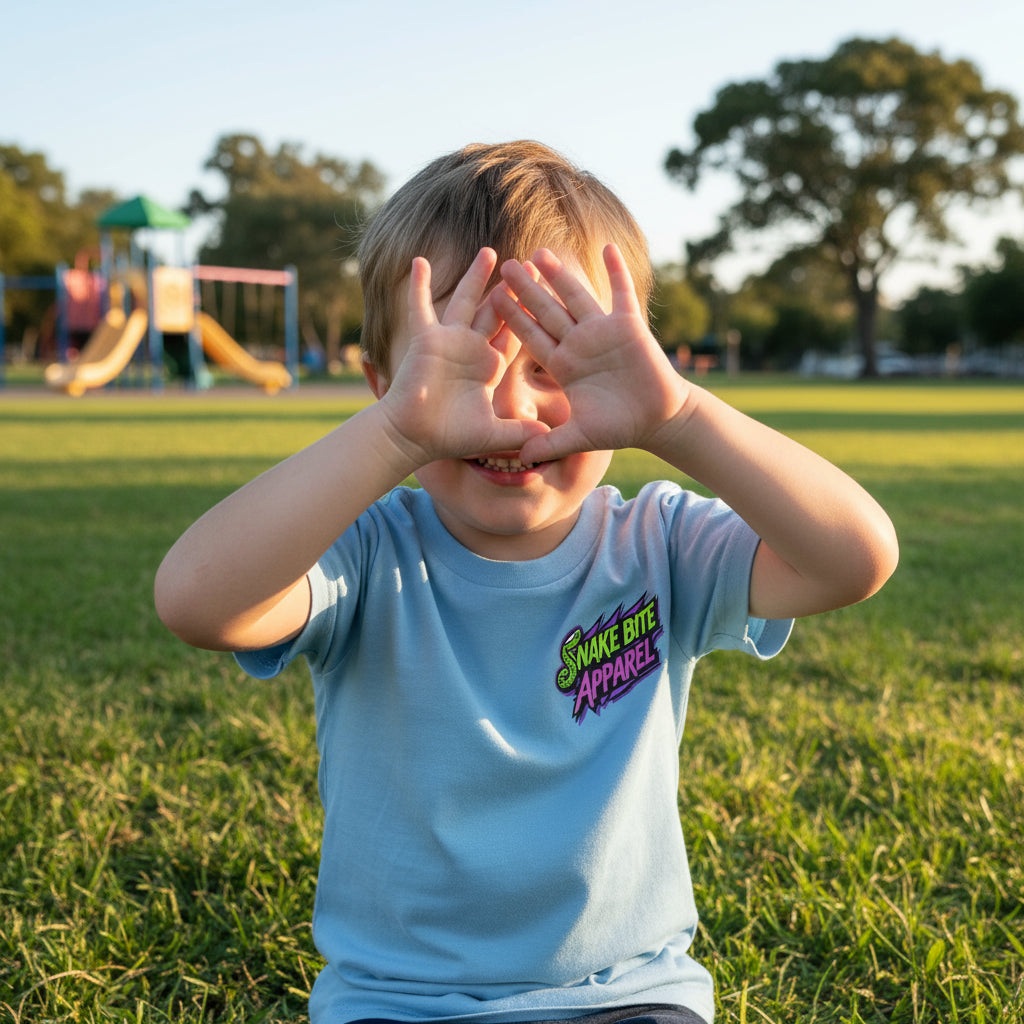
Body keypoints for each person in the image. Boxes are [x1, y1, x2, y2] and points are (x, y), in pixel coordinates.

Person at [154, 141, 898, 1024]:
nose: (509, 413)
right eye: (456, 366)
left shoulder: (659, 543)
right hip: (397, 1002)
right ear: (383, 385)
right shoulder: (363, 556)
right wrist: (394, 436)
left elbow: (855, 558)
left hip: (628, 995)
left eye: (554, 368)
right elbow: (196, 601)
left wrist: (681, 417)